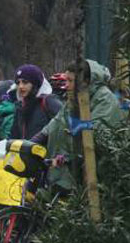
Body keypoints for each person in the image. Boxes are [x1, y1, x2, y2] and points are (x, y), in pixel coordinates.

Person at [31, 59, 123, 194]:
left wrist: (76, 130)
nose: (66, 85)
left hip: (94, 178)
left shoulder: (106, 100)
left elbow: (99, 133)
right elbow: (55, 124)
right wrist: (32, 143)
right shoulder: (73, 100)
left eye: (70, 81)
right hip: (67, 172)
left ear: (85, 82)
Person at [0, 64, 62, 143]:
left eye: (25, 82)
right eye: (18, 82)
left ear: (35, 84)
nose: (20, 86)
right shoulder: (20, 106)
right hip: (25, 153)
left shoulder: (49, 101)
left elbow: (63, 126)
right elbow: (14, 135)